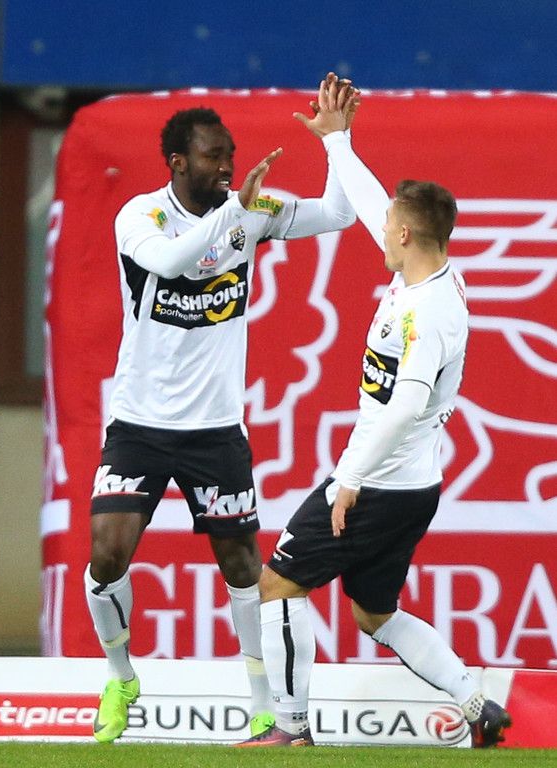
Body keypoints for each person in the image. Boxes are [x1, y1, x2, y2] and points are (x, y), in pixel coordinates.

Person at [238, 77, 512, 749]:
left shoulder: (426, 312)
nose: (378, 231)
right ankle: (476, 704)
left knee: (277, 583)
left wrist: (350, 479)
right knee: (374, 613)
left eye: (390, 227)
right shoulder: (428, 274)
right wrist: (338, 140)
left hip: (378, 485)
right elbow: (368, 204)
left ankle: (291, 730)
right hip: (414, 484)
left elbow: (406, 404)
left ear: (408, 234)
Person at [84, 103, 358, 742]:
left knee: (242, 566)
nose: (228, 167)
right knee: (106, 554)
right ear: (178, 162)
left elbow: (338, 213)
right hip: (140, 423)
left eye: (230, 156)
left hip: (214, 428)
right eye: (214, 157)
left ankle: (261, 703)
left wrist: (338, 142)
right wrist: (237, 212)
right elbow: (172, 263)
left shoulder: (248, 210)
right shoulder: (142, 217)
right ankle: (120, 676)